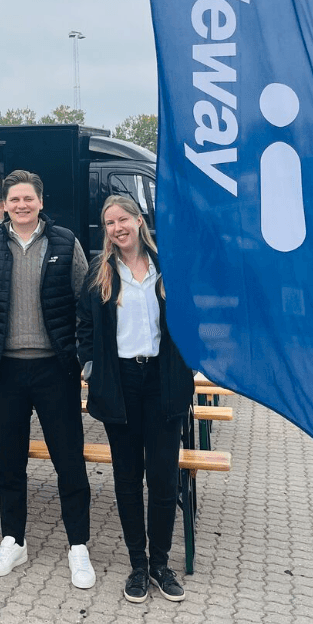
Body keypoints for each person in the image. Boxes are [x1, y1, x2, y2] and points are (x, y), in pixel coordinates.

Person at [0, 170, 94, 588]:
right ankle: (13, 540)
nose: (21, 206)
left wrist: (77, 352)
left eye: (29, 199)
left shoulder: (65, 242)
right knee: (10, 462)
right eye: (14, 200)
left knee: (69, 461)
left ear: (41, 202)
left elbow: (85, 299)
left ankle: (79, 545)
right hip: (4, 370)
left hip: (54, 369)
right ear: (3, 205)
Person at [77, 195, 194, 603]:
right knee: (127, 479)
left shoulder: (168, 265)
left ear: (138, 220)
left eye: (122, 219)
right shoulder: (100, 271)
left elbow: (191, 316)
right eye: (109, 222)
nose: (116, 227)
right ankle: (138, 564)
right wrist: (90, 364)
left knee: (163, 478)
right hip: (121, 382)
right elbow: (84, 325)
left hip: (162, 380)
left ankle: (161, 563)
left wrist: (191, 361)